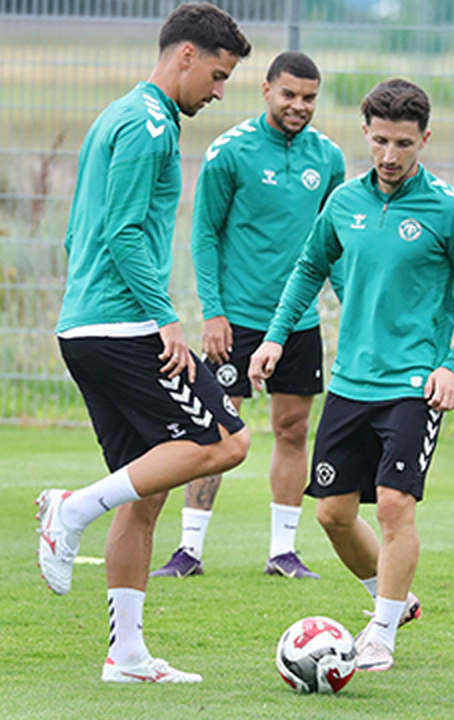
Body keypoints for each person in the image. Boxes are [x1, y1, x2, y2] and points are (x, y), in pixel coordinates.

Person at [249, 78, 454, 672]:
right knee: (332, 514)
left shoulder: (448, 210)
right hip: (350, 382)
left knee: (393, 505)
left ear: (425, 140)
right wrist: (276, 337)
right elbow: (309, 268)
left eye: (403, 144)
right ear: (365, 132)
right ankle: (394, 600)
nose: (389, 155)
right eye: (380, 141)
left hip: (414, 385)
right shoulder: (343, 203)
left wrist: (453, 367)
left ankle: (381, 635)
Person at [34, 3, 251, 685]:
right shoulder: (149, 125)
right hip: (123, 327)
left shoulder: (115, 116)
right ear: (186, 55)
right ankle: (70, 507)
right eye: (218, 75)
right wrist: (164, 318)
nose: (220, 92)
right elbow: (123, 232)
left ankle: (125, 656)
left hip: (85, 326)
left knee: (146, 490)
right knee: (228, 441)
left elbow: (78, 233)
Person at [149, 51, 347, 581]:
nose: (299, 105)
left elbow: (332, 246)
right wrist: (213, 313)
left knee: (293, 429)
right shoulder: (230, 151)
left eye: (309, 98)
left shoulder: (328, 158)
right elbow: (204, 235)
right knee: (215, 430)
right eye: (289, 95)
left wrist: (349, 304)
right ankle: (189, 550)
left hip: (298, 322)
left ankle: (283, 552)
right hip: (235, 321)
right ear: (266, 91)